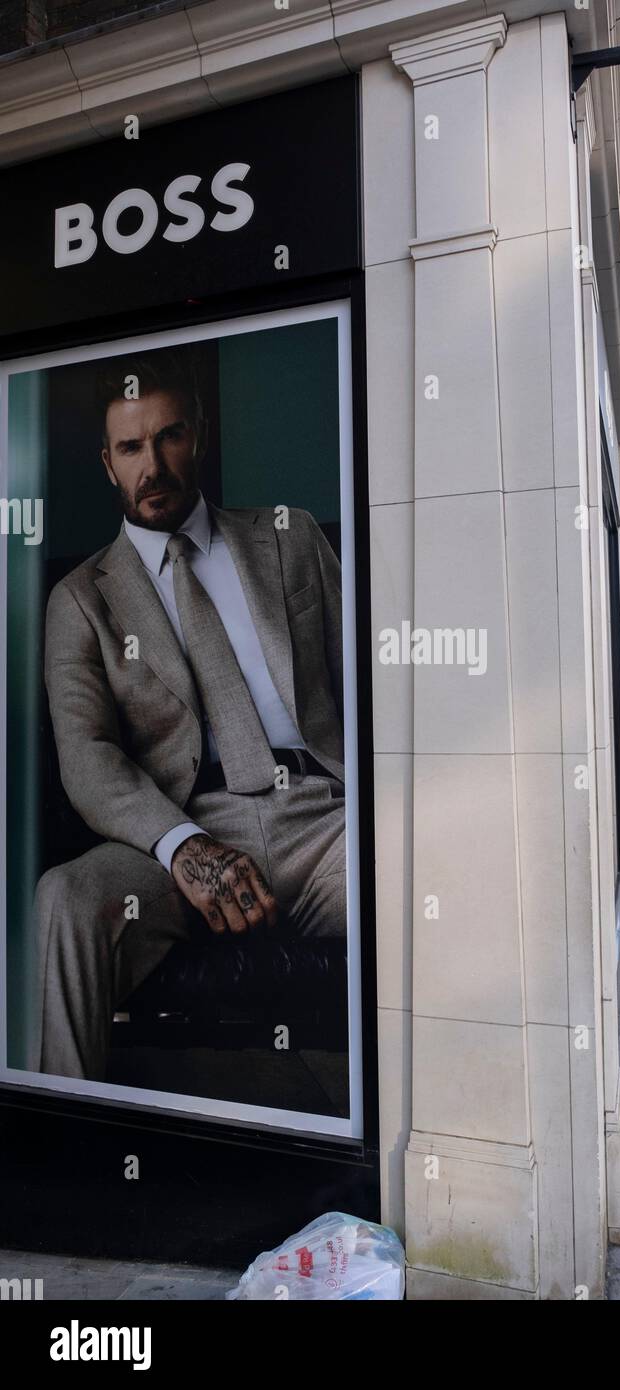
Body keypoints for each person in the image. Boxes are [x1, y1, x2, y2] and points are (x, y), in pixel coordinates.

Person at [29, 348, 346, 1081]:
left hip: (323, 819)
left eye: (168, 437)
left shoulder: (288, 537)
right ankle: (68, 1158)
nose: (154, 467)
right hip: (175, 832)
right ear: (107, 462)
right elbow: (87, 755)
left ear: (197, 434)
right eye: (132, 447)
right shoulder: (81, 599)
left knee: (439, 874)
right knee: (65, 899)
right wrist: (183, 846)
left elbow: (369, 685)